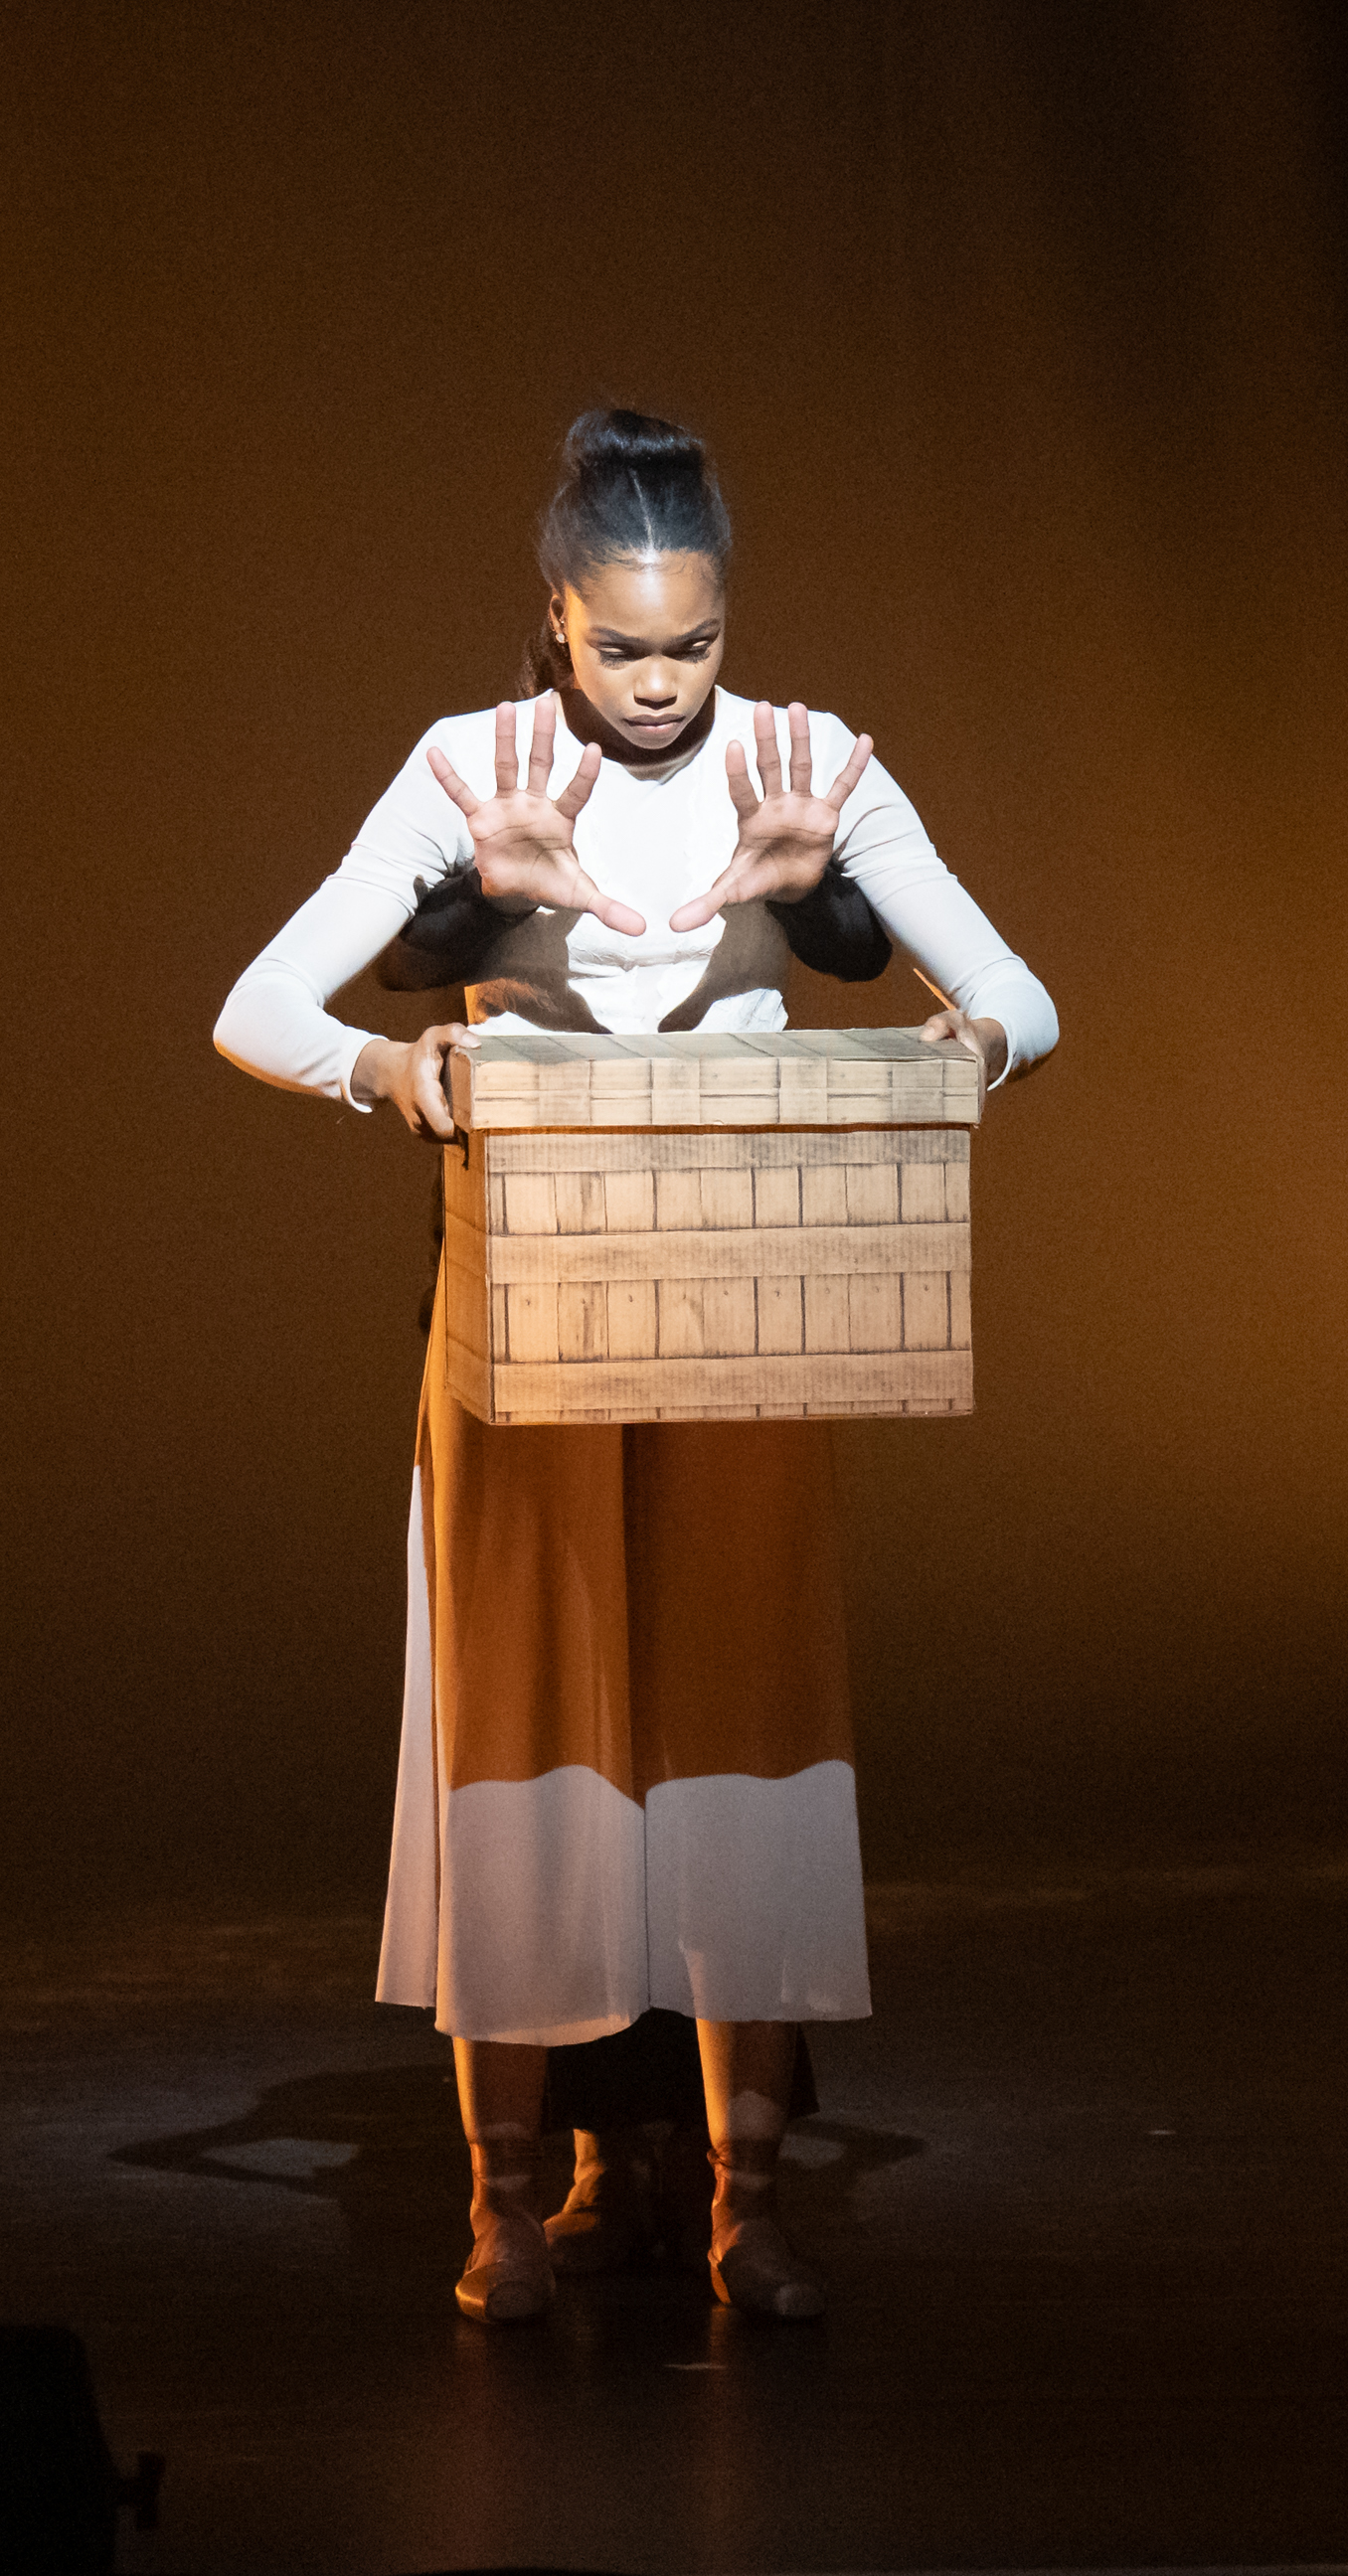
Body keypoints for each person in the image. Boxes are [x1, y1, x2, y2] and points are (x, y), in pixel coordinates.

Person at [215, 408, 1057, 2324]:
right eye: (622, 648)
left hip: (749, 1305)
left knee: (751, 1725)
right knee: (527, 1736)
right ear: (559, 621)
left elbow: (1023, 992)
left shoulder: (806, 760)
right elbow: (256, 1002)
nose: (663, 687)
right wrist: (399, 1062)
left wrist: (958, 1049)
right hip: (528, 1307)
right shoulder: (477, 768)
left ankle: (751, 2199)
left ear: (726, 622)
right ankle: (510, 2198)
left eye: (691, 644)